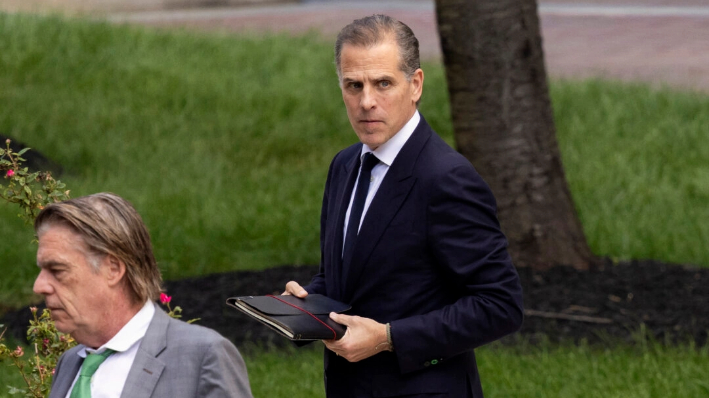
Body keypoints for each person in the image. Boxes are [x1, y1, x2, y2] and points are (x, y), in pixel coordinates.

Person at [283, 14, 524, 397]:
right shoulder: (345, 165)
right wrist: (305, 305)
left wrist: (389, 337)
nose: (366, 102)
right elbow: (346, 276)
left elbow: (500, 305)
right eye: (353, 85)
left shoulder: (446, 178)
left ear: (415, 85)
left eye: (383, 84)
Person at [33, 193, 253, 398]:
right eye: (42, 270)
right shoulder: (70, 363)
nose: (39, 286)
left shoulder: (203, 356)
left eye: (57, 270)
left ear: (113, 269)